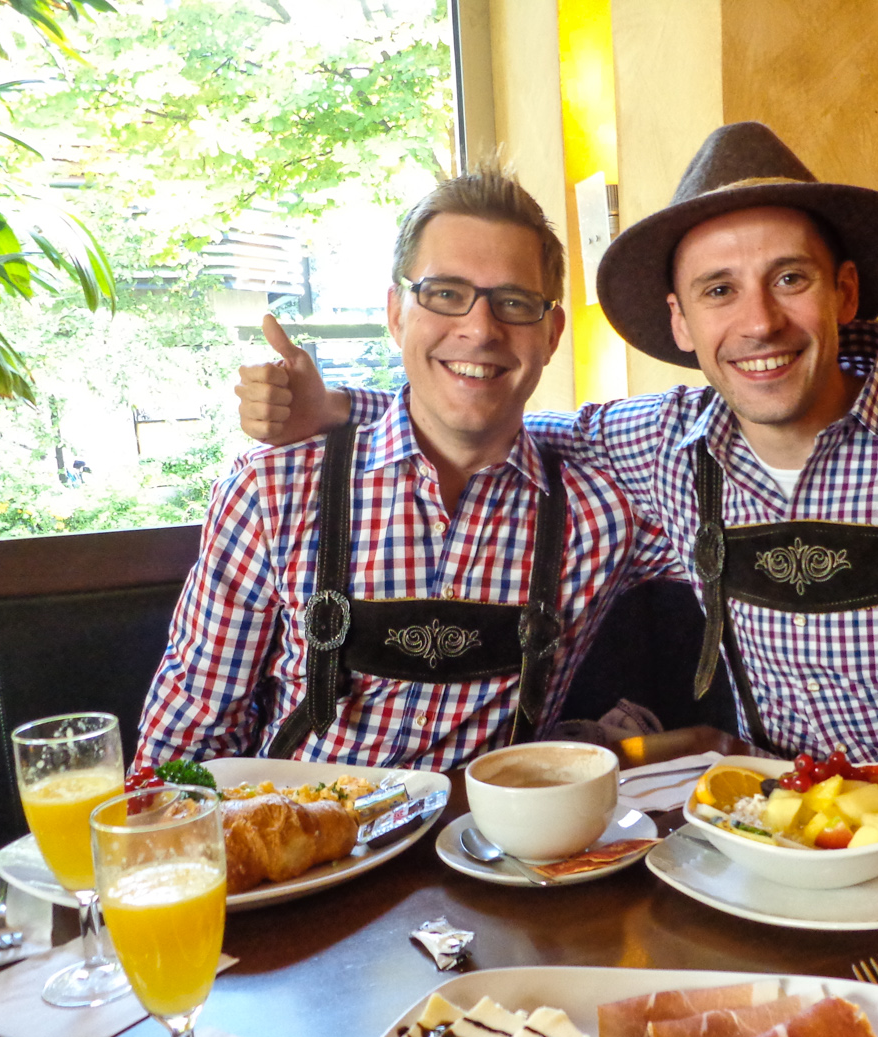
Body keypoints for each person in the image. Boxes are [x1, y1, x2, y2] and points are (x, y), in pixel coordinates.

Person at [238, 125, 878, 887]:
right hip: (774, 852)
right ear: (681, 321)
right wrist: (340, 410)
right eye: (719, 290)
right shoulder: (661, 448)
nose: (758, 322)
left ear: (844, 292)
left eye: (790, 278)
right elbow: (481, 404)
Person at [136, 165, 679, 771]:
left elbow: (721, 436)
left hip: (493, 830)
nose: (480, 329)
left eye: (514, 302)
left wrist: (339, 404)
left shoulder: (605, 509)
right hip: (300, 826)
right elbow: (189, 740)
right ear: (396, 314)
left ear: (551, 334)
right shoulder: (272, 491)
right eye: (445, 294)